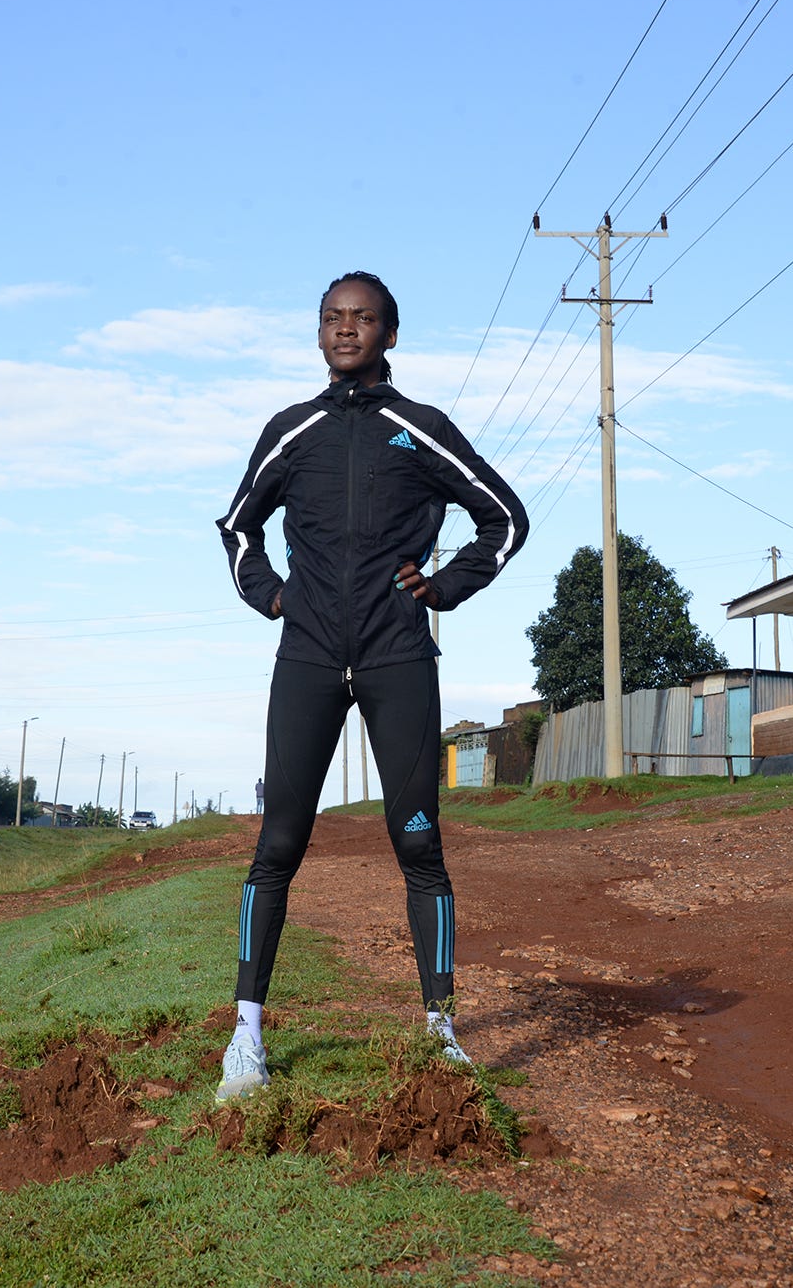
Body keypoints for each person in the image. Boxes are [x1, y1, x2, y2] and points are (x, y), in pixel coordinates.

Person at [213, 270, 528, 1101]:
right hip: (309, 656)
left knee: (419, 843)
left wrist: (447, 585)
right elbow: (237, 524)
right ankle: (244, 1039)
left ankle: (441, 1030)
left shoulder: (419, 429)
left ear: (391, 333)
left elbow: (505, 516)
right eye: (333, 318)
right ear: (319, 334)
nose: (346, 329)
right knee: (279, 843)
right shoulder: (292, 432)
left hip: (396, 656)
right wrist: (272, 594)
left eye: (363, 318)